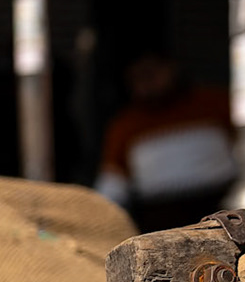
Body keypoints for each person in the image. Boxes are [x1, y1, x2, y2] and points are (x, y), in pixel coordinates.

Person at [95, 53, 237, 232]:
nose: (147, 83)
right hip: (161, 217)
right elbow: (113, 182)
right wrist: (100, 220)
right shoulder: (125, 126)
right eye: (138, 78)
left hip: (221, 206)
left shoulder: (214, 103)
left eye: (151, 73)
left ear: (171, 69)